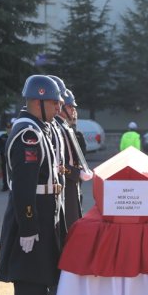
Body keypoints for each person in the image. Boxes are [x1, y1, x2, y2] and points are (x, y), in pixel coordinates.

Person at [0, 74, 64, 295]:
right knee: (30, 283)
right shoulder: (29, 134)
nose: (59, 107)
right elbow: (24, 186)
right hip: (32, 217)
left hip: (38, 215)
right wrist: (29, 227)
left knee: (37, 281)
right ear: (38, 100)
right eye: (54, 102)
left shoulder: (38, 128)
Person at [54, 87, 93, 230]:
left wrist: (81, 169)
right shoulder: (57, 128)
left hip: (72, 183)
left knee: (74, 222)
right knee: (69, 225)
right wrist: (77, 173)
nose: (73, 110)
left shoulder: (65, 126)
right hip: (64, 184)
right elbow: (57, 163)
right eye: (70, 106)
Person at [0, 120, 13, 192]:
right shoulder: (2, 137)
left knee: (12, 172)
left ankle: (12, 185)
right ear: (6, 129)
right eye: (7, 128)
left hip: (12, 157)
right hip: (4, 157)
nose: (9, 129)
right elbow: (0, 147)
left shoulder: (14, 136)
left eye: (10, 128)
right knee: (5, 171)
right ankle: (5, 186)